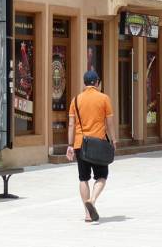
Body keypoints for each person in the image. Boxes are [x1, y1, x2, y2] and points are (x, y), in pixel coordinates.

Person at [66, 70, 116, 222]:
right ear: (97, 82)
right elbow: (109, 123)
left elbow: (71, 125)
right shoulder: (104, 98)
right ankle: (92, 200)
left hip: (80, 144)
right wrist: (113, 140)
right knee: (101, 176)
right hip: (98, 144)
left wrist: (69, 145)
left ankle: (87, 214)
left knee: (83, 178)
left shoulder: (75, 100)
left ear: (85, 83)